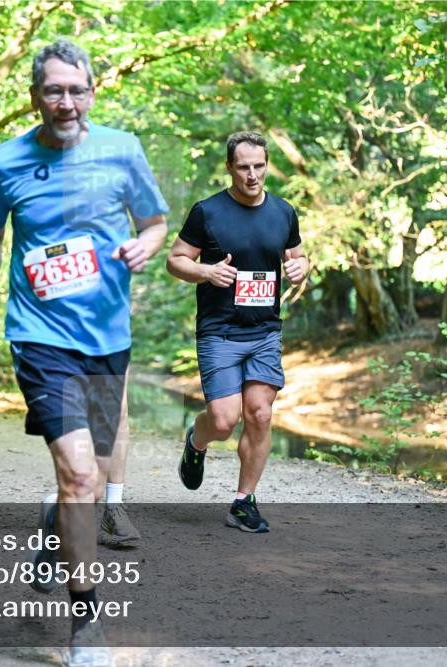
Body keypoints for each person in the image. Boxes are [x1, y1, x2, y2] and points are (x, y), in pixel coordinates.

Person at [0, 39, 168, 664]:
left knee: (93, 473)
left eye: (76, 90)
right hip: (40, 336)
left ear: (92, 92)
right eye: (53, 90)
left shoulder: (123, 151)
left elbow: (156, 221)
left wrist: (147, 245)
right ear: (35, 96)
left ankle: (55, 531)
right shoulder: (6, 162)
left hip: (109, 339)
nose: (66, 101)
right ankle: (86, 622)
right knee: (81, 473)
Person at [166, 131, 309, 533]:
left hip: (264, 331)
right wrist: (206, 271)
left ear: (267, 165)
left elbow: (297, 256)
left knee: (260, 415)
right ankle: (197, 440)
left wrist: (302, 266)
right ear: (229, 168)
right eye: (243, 167)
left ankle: (243, 502)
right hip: (220, 332)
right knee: (225, 420)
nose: (252, 175)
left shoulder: (283, 212)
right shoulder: (207, 212)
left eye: (259, 166)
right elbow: (175, 260)